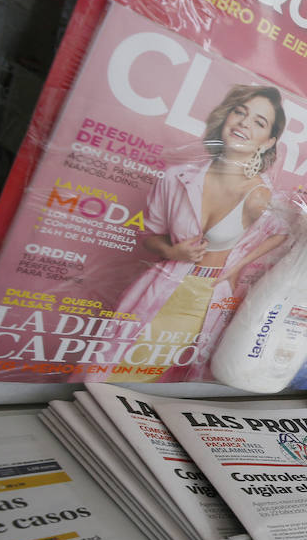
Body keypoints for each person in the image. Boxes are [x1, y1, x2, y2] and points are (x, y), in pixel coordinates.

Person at [117, 85, 291, 382]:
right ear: (226, 117)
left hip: (206, 298)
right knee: (113, 369)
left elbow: (283, 233)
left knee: (167, 380)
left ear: (269, 141)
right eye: (240, 112)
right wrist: (172, 252)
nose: (244, 123)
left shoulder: (261, 197)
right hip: (158, 286)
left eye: (259, 122)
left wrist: (236, 264)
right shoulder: (178, 177)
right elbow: (149, 235)